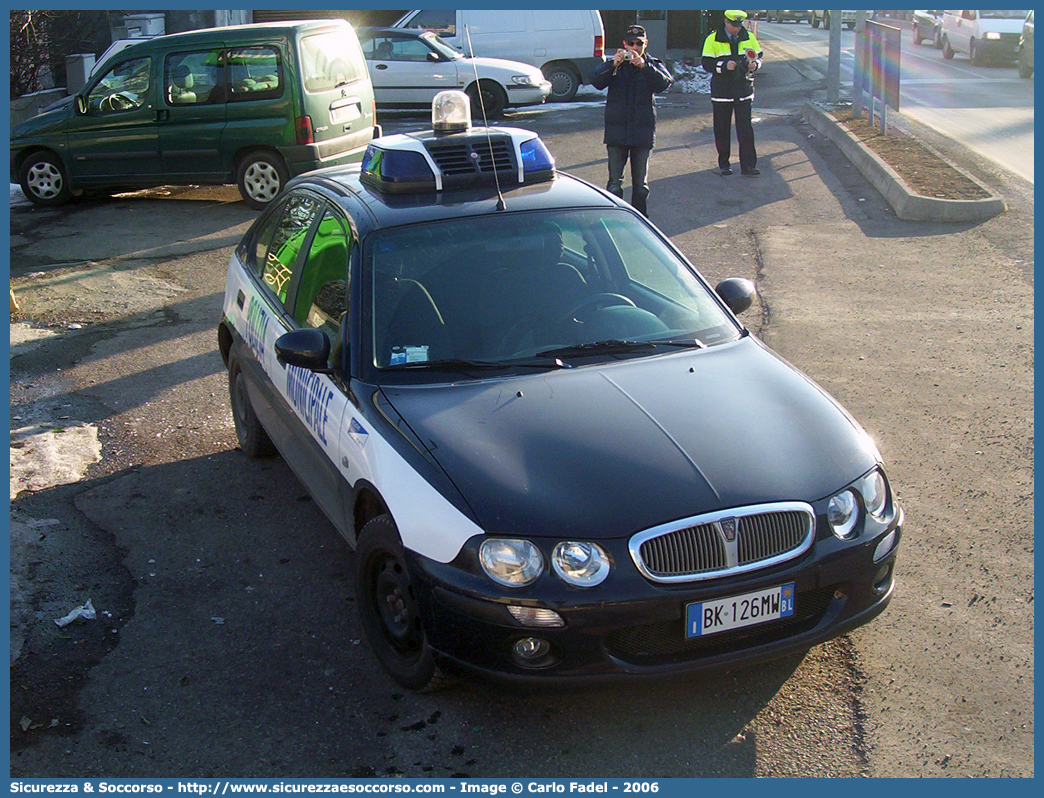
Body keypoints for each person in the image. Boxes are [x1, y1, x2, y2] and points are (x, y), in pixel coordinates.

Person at [590, 24, 674, 216]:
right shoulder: (616, 65)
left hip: (642, 133)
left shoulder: (651, 64)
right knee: (614, 184)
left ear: (646, 44)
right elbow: (595, 81)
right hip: (616, 133)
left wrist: (644, 66)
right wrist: (612, 64)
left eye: (639, 44)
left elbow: (665, 83)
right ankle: (615, 218)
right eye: (631, 43)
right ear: (624, 44)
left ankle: (640, 221)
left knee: (640, 186)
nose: (634, 48)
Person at [702, 10, 764, 176]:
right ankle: (724, 164)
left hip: (743, 90)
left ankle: (748, 166)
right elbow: (706, 63)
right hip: (722, 91)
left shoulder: (748, 36)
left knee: (745, 130)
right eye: (733, 25)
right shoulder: (713, 38)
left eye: (738, 26)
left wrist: (755, 65)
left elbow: (759, 56)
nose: (736, 29)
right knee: (722, 130)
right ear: (725, 22)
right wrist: (722, 66)